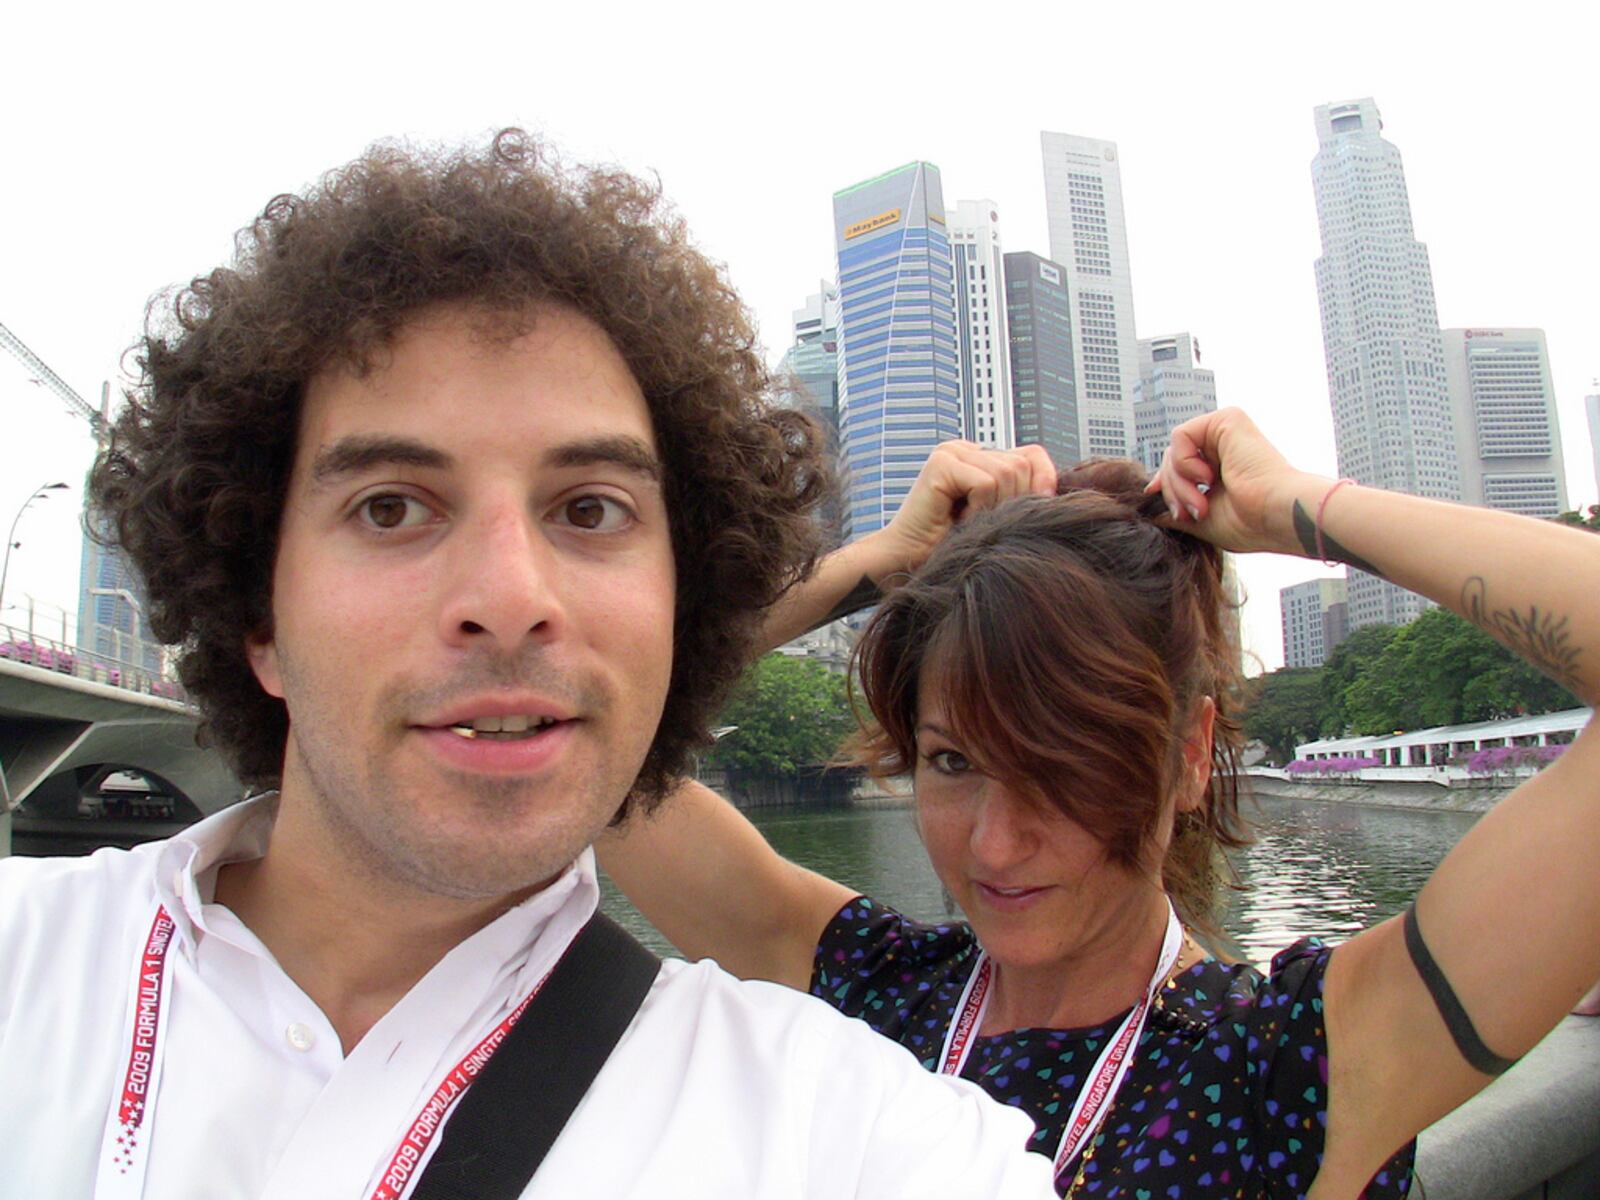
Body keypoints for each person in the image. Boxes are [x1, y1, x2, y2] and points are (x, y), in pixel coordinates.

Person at [0, 132, 1059, 1199]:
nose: (512, 600)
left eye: (589, 510)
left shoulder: (856, 1141)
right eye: (391, 508)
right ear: (256, 615)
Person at [599, 408, 1600, 1197]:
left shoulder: (1292, 1065)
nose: (994, 842)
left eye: (1064, 767)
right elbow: (602, 729)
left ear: (1189, 755)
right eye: (952, 763)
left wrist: (1296, 507)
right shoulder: (871, 992)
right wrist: (880, 564)